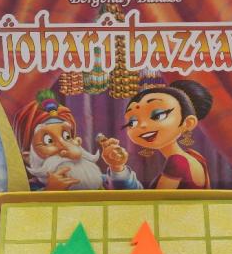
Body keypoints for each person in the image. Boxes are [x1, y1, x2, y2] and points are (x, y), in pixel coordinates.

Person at [13, 90, 141, 191]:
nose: (64, 146)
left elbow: (134, 197)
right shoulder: (29, 189)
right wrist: (50, 192)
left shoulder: (94, 179)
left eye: (67, 137)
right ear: (28, 157)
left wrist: (117, 168)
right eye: (49, 141)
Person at [123, 79, 212, 189]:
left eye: (158, 116)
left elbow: (159, 199)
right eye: (132, 122)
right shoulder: (194, 156)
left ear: (188, 123)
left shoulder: (177, 161)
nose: (143, 125)